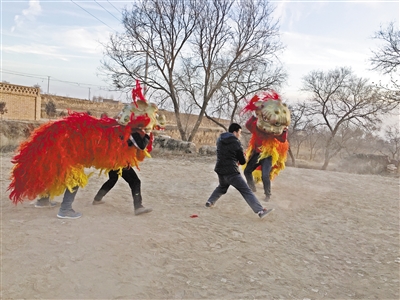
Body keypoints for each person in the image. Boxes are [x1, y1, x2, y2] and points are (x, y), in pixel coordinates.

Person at [205, 123, 273, 219]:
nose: (240, 135)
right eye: (239, 133)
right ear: (235, 132)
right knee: (246, 191)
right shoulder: (236, 142)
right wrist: (243, 156)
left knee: (222, 187)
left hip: (220, 169)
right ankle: (260, 211)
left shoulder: (220, 139)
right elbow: (242, 161)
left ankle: (210, 201)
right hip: (231, 171)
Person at [92, 128, 152, 216]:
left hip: (112, 158)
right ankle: (138, 207)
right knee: (135, 181)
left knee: (113, 179)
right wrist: (148, 133)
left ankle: (97, 198)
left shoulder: (121, 128)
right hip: (120, 161)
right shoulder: (132, 132)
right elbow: (141, 146)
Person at [244, 115, 288, 201]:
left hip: (268, 155)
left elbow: (282, 139)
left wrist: (285, 129)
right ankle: (252, 188)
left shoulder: (272, 130)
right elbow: (248, 125)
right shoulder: (258, 128)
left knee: (265, 175)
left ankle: (267, 195)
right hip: (256, 154)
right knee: (247, 171)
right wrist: (254, 116)